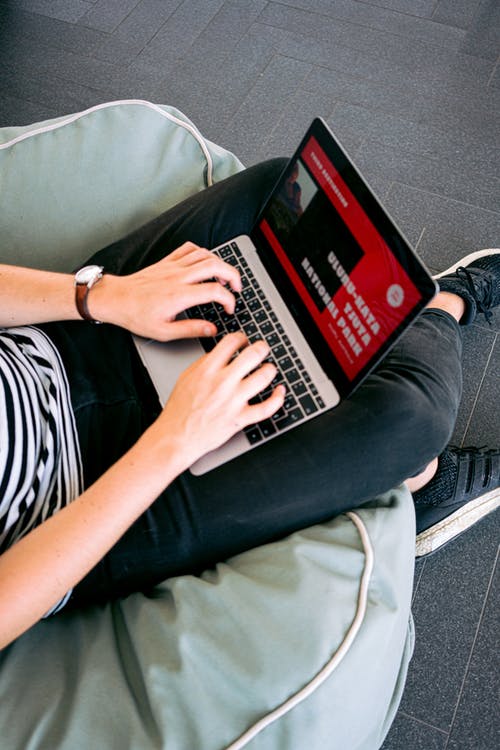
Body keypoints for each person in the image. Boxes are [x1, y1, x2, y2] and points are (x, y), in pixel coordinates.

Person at [0, 159, 498, 650]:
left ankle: (385, 383)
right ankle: (443, 311)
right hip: (88, 506)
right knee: (413, 411)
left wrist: (103, 296)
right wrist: (173, 441)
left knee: (287, 193)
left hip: (60, 342)